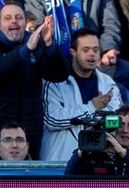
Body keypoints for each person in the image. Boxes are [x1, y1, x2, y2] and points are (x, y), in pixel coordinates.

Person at [0, 1, 68, 158]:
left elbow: (59, 75)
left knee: (27, 181)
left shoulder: (36, 45)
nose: (14, 21)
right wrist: (24, 51)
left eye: (18, 18)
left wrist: (50, 45)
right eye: (8, 18)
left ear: (24, 23)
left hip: (29, 134)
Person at [40, 27, 122, 161]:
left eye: (96, 50)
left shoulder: (107, 83)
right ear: (73, 52)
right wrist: (92, 107)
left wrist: (100, 117)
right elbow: (52, 119)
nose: (92, 54)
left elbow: (116, 121)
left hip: (98, 161)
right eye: (86, 50)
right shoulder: (55, 81)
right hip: (60, 162)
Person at [63, 103, 129, 175]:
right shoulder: (96, 149)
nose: (124, 130)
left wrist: (123, 152)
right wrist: (82, 151)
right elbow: (68, 177)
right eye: (121, 124)